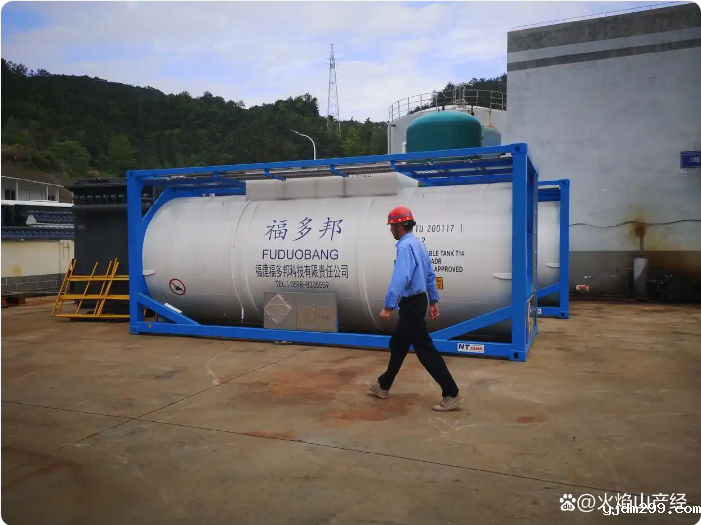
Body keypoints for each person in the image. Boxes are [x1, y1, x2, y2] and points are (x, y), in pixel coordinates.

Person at [366, 206, 462, 412]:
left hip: (411, 305)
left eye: (392, 226)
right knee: (399, 344)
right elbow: (429, 274)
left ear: (400, 226)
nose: (390, 230)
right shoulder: (419, 244)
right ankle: (384, 385)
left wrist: (388, 305)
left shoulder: (404, 247)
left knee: (424, 349)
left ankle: (451, 392)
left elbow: (400, 278)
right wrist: (433, 300)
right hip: (419, 301)